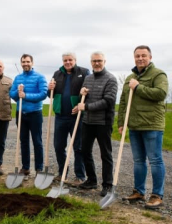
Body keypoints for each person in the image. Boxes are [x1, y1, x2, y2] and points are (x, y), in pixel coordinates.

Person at [118, 45, 168, 209]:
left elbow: (161, 94)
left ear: (150, 57)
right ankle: (139, 192)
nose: (140, 58)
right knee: (138, 161)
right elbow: (124, 102)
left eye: (143, 56)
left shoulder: (158, 74)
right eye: (137, 56)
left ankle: (157, 195)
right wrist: (121, 123)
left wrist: (138, 87)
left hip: (152, 124)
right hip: (134, 125)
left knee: (155, 160)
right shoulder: (130, 78)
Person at [77, 51, 118, 196]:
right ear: (91, 62)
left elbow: (108, 101)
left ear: (104, 62)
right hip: (87, 121)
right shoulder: (87, 78)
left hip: (103, 123)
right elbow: (84, 100)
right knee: (84, 151)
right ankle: (91, 180)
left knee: (105, 153)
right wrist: (81, 94)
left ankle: (107, 184)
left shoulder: (111, 79)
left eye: (99, 60)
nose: (96, 63)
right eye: (94, 61)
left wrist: (86, 107)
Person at [48, 52, 89, 185]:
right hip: (60, 116)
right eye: (65, 60)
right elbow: (51, 95)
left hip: (76, 116)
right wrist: (50, 89)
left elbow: (89, 92)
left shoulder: (83, 72)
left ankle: (80, 176)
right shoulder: (57, 74)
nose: (68, 62)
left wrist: (81, 104)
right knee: (59, 146)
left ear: (75, 60)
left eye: (70, 60)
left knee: (78, 147)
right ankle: (62, 173)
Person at [10, 54, 48, 180]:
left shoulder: (40, 77)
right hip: (21, 113)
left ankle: (39, 168)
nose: (25, 64)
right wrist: (18, 92)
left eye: (28, 61)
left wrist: (25, 95)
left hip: (35, 113)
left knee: (37, 141)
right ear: (21, 63)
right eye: (23, 62)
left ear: (32, 63)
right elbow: (12, 94)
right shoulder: (18, 78)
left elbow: (43, 94)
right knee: (24, 141)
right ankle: (25, 168)